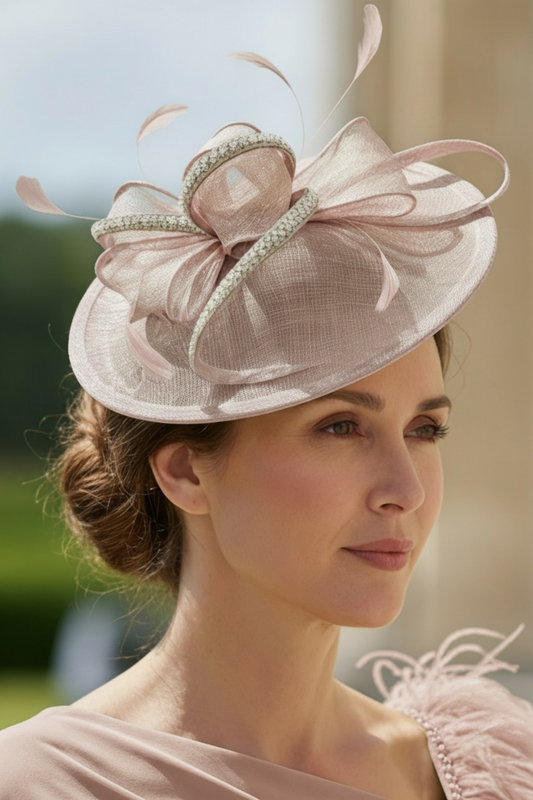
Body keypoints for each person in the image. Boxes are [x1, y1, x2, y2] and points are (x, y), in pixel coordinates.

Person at [3, 5, 532, 798]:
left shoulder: (480, 766)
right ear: (186, 471)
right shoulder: (44, 784)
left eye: (424, 429)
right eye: (341, 426)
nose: (407, 489)